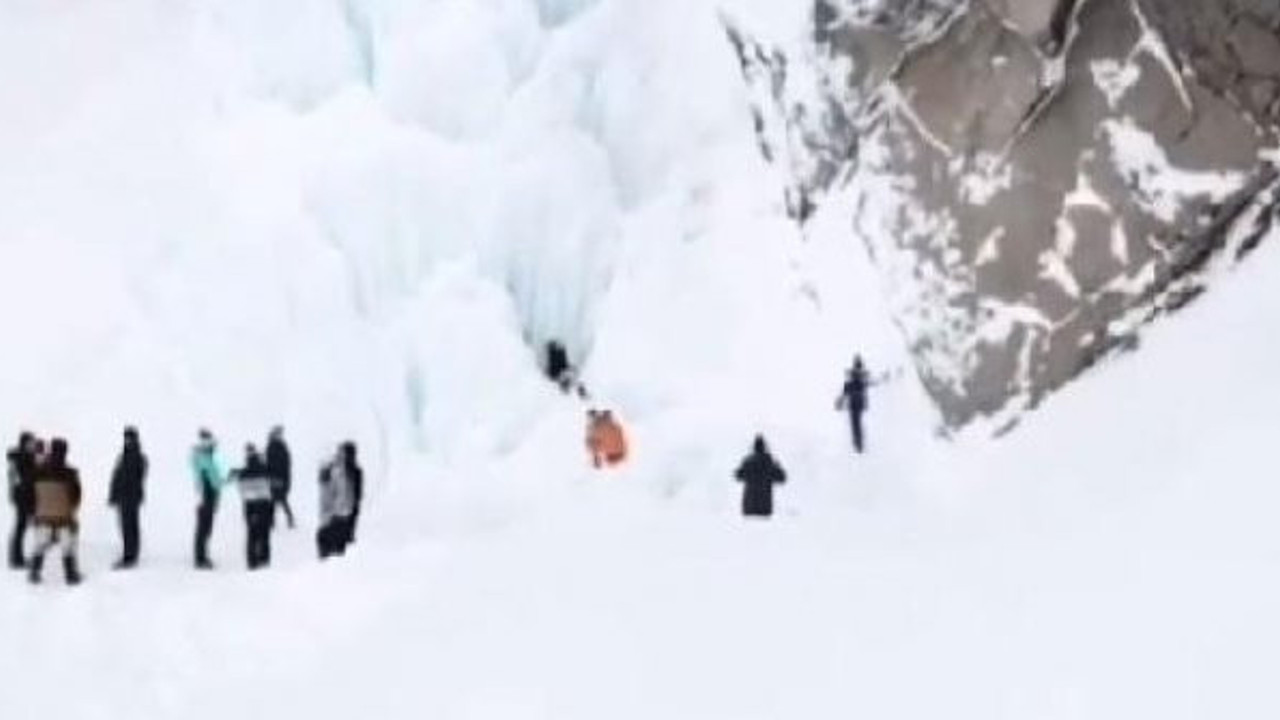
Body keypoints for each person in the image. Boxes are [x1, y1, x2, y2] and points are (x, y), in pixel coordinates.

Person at [27, 438, 83, 584]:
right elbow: (76, 497)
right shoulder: (71, 473)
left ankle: (34, 571)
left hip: (42, 516)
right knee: (68, 543)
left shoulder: (38, 472)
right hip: (64, 517)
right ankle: (70, 574)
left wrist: (36, 511)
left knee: (40, 543)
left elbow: (31, 494)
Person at [108, 427, 148, 569]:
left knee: (130, 526)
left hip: (131, 497)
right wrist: (113, 495)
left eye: (130, 438)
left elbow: (136, 477)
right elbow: (116, 476)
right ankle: (130, 553)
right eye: (126, 438)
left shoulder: (139, 457)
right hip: (123, 497)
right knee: (126, 526)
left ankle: (130, 555)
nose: (127, 441)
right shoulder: (123, 456)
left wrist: (124, 491)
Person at [190, 429, 227, 570]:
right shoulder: (204, 460)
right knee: (204, 528)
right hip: (207, 497)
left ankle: (201, 555)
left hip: (207, 497)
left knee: (205, 528)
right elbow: (213, 480)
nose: (214, 449)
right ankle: (200, 558)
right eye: (212, 446)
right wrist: (223, 480)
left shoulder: (203, 458)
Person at [234, 444, 275, 570]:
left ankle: (252, 562)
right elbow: (271, 489)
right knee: (264, 534)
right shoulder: (265, 470)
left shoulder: (243, 473)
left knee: (251, 534)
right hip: (264, 505)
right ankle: (264, 561)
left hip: (249, 506)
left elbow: (241, 491)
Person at [316, 443, 360, 559]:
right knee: (332, 549)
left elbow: (341, 496)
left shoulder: (337, 474)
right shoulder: (331, 477)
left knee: (332, 549)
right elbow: (327, 500)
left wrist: (335, 514)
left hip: (336, 518)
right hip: (334, 518)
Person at [734, 435, 787, 519]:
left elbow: (738, 476)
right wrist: (777, 466)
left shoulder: (748, 462)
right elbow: (782, 479)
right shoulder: (770, 463)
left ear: (753, 448)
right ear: (764, 447)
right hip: (765, 509)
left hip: (749, 509)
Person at [6, 432, 36, 569]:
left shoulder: (17, 458)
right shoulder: (23, 458)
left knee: (21, 527)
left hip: (21, 497)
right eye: (30, 443)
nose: (33, 445)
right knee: (21, 527)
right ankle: (16, 559)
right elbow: (28, 478)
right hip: (24, 497)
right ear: (24, 443)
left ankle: (16, 558)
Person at [836, 355, 870, 453]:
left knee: (855, 424)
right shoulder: (862, 375)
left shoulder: (855, 375)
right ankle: (859, 444)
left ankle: (858, 444)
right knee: (857, 423)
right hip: (858, 402)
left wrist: (841, 400)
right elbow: (866, 384)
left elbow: (846, 389)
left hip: (854, 402)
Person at [265, 426, 295, 530]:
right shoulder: (278, 446)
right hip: (278, 477)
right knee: (278, 499)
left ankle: (273, 521)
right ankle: (274, 521)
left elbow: (283, 464)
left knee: (277, 499)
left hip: (277, 477)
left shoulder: (277, 446)